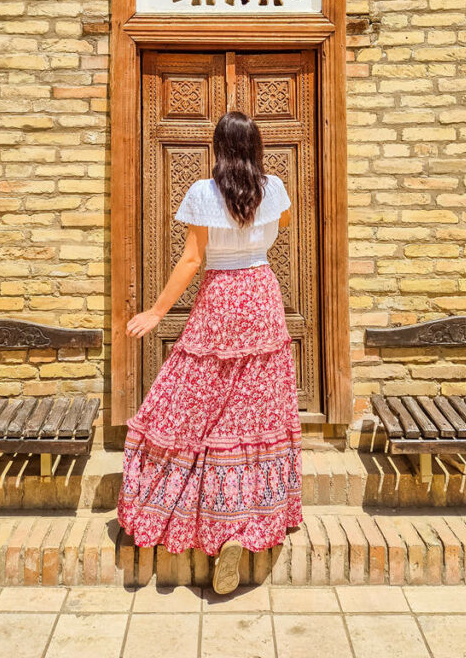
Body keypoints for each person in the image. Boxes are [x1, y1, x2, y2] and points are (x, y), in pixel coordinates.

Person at [117, 110, 303, 595]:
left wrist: (157, 313)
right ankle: (247, 521)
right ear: (256, 146)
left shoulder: (203, 192)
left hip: (220, 296)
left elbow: (194, 259)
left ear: (218, 148)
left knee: (200, 402)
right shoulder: (275, 187)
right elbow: (280, 224)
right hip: (261, 296)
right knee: (251, 411)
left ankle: (207, 521)